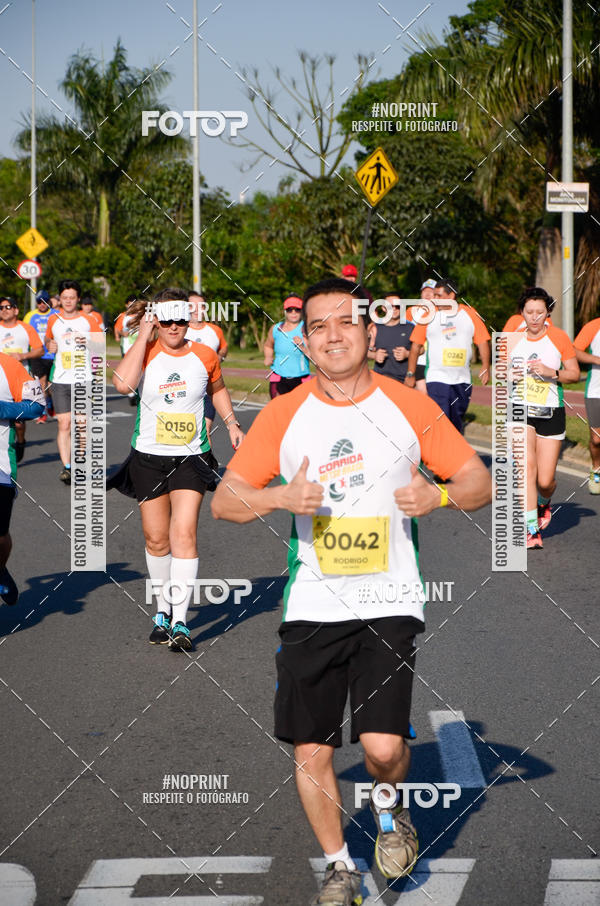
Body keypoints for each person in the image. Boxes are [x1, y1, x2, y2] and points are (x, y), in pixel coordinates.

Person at [212, 276, 491, 905]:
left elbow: (480, 481)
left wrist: (438, 494)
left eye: (346, 322)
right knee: (312, 747)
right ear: (305, 342)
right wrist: (280, 495)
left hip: (389, 601)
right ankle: (340, 867)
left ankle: (392, 817)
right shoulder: (284, 414)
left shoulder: (410, 406)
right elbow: (226, 503)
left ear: (371, 334)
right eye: (318, 326)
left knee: (383, 748)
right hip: (311, 602)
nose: (333, 335)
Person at [109, 289, 244, 651]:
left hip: (191, 457)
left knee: (184, 534)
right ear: (157, 320)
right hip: (148, 457)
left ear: (188, 321)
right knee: (156, 538)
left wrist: (231, 423)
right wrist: (144, 333)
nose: (173, 327)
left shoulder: (204, 354)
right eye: (165, 320)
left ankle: (181, 622)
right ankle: (162, 610)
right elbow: (122, 384)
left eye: (179, 320)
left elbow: (218, 390)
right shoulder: (147, 351)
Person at [507, 287, 579, 548]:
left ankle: (543, 502)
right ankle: (531, 530)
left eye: (540, 312)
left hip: (551, 410)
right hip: (518, 408)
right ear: (522, 313)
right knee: (525, 467)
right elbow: (500, 371)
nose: (534, 317)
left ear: (547, 312)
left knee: (545, 481)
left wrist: (552, 372)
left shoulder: (559, 337)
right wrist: (507, 375)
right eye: (529, 312)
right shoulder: (512, 337)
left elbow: (574, 373)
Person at [405, 280, 491, 433]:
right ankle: (437, 454)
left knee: (456, 423)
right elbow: (415, 346)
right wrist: (410, 373)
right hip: (436, 378)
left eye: (439, 295)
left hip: (462, 380)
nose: (434, 299)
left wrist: (485, 366)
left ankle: (453, 454)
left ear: (451, 295)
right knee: (440, 419)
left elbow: (482, 341)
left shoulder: (470, 314)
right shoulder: (429, 315)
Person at [45, 279, 103, 484]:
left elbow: (100, 345)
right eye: (64, 297)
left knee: (81, 423)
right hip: (60, 378)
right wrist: (50, 345)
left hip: (83, 378)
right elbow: (48, 340)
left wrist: (87, 341)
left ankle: (79, 461)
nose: (68, 301)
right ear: (59, 299)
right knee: (64, 423)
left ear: (78, 299)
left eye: (72, 297)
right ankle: (67, 467)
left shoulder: (88, 320)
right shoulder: (54, 320)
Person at [0, 352, 45, 605]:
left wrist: (3, 408)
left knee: (0, 534)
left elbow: (36, 405)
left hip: (1, 466)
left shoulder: (8, 365)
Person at [0, 296, 44, 460]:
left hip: (21, 377)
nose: (4, 310)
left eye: (8, 306)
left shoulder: (26, 329)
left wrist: (22, 355)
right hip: (2, 381)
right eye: (1, 307)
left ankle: (20, 441)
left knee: (19, 421)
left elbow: (39, 350)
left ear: (16, 310)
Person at [186, 292, 228, 442]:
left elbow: (223, 348)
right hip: (185, 392)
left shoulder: (215, 331)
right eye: (192, 306)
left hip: (208, 391)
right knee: (187, 435)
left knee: (205, 430)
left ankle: (206, 465)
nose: (197, 309)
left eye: (201, 306)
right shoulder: (180, 330)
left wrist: (219, 357)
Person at [263, 295, 311, 399]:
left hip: (301, 377)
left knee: (300, 411)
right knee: (278, 410)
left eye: (297, 310)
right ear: (285, 311)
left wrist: (302, 346)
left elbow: (314, 355)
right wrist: (268, 356)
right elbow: (268, 345)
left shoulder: (306, 328)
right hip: (279, 376)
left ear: (302, 311)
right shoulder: (276, 328)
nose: (293, 313)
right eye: (290, 310)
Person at [572, 318, 600, 493]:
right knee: (596, 439)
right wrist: (596, 359)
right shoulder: (594, 325)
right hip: (596, 391)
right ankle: (596, 469)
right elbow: (574, 351)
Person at [23, 290, 56, 422]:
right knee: (41, 383)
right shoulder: (30, 316)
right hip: (37, 355)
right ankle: (43, 412)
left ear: (49, 302)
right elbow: (24, 334)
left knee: (51, 385)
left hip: (53, 355)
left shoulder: (55, 314)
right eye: (38, 302)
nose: (41, 304)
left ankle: (51, 402)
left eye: (44, 301)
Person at [368, 293, 414, 383]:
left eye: (397, 306)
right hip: (379, 379)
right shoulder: (374, 328)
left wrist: (407, 354)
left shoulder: (410, 327)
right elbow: (361, 352)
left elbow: (421, 350)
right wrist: (374, 355)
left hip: (403, 380)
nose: (394, 309)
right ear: (383, 308)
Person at [114, 295, 139, 405]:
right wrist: (119, 335)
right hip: (127, 347)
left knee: (140, 370)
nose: (132, 305)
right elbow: (117, 328)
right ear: (126, 304)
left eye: (134, 302)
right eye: (130, 303)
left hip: (140, 347)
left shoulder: (142, 315)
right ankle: (131, 394)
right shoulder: (123, 316)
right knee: (129, 370)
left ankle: (138, 391)